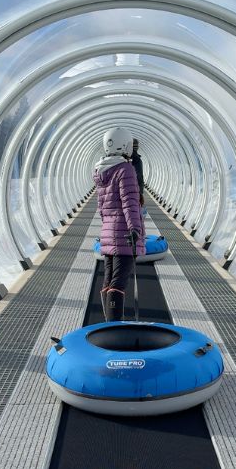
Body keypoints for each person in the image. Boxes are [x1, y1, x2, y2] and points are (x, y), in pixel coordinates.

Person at [95, 127, 143, 323]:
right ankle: (114, 328)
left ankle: (108, 325)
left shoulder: (100, 171)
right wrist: (135, 229)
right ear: (125, 145)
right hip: (124, 233)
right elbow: (130, 202)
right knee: (118, 283)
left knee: (108, 280)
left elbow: (101, 207)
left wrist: (107, 227)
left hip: (108, 232)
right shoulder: (125, 169)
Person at [131, 138, 146, 207]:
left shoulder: (122, 158)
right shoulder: (137, 159)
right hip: (134, 190)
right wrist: (140, 193)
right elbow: (139, 177)